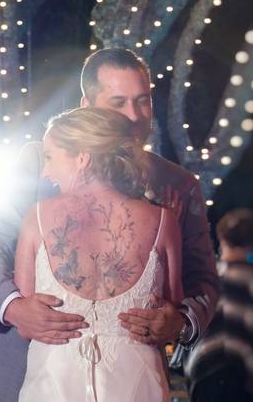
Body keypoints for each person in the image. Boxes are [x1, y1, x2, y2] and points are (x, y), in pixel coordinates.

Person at [0, 48, 219, 402]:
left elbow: (204, 279)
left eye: (142, 101)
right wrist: (14, 307)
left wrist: (182, 320)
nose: (133, 116)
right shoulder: (42, 160)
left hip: (130, 378)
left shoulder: (178, 183)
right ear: (87, 104)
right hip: (30, 371)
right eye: (118, 102)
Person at [13, 107, 183, 400]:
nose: (45, 170)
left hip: (55, 381)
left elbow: (25, 327)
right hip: (136, 383)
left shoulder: (36, 217)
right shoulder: (163, 220)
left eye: (50, 157)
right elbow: (172, 310)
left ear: (82, 158)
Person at [187, 208, 253, 402]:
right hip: (244, 380)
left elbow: (187, 328)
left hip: (202, 377)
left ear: (222, 239)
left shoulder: (204, 280)